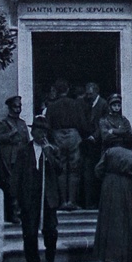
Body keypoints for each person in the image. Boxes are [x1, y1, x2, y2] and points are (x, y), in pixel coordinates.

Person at [11, 116, 62, 262]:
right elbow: (16, 176)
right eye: (38, 131)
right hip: (30, 198)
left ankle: (51, 259)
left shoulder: (53, 149)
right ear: (33, 132)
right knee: (30, 234)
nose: (41, 134)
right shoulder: (23, 151)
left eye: (44, 131)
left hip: (48, 198)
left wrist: (49, 153)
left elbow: (59, 170)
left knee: (51, 232)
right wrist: (15, 200)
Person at [93, 136, 132, 262]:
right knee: (125, 223)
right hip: (126, 188)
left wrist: (108, 179)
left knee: (107, 222)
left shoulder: (110, 152)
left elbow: (98, 169)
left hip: (109, 186)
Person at [45, 78, 87, 210]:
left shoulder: (51, 106)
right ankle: (71, 201)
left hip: (58, 136)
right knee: (74, 170)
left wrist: (53, 139)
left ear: (56, 91)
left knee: (61, 169)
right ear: (68, 90)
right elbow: (83, 124)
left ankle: (63, 201)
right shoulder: (76, 104)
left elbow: (47, 125)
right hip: (73, 136)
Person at [0, 95, 29, 223]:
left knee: (23, 186)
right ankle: (14, 213)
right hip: (10, 159)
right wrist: (10, 134)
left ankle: (22, 212)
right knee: (12, 187)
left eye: (20, 107)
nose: (18, 109)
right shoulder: (4, 123)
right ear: (10, 108)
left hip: (22, 158)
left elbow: (27, 141)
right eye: (15, 107)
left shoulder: (22, 123)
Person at [80, 81, 108, 209]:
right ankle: (88, 202)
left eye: (90, 93)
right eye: (87, 94)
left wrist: (95, 136)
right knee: (87, 172)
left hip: (99, 144)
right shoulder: (86, 103)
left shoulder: (103, 104)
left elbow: (104, 124)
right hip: (88, 144)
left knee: (97, 172)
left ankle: (97, 201)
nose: (88, 96)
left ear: (96, 92)